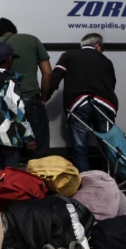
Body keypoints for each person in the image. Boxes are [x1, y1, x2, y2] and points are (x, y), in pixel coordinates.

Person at [49, 33, 118, 172]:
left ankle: (85, 182)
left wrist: (45, 97)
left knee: (80, 146)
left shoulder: (69, 55)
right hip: (104, 104)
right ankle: (109, 180)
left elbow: (54, 78)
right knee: (107, 145)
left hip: (78, 104)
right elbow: (112, 84)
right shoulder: (106, 61)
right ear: (98, 45)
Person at [0, 18, 52, 158]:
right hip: (31, 102)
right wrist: (43, 99)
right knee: (38, 154)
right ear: (14, 30)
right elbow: (47, 73)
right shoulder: (32, 40)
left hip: (4, 109)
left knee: (9, 156)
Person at [0, 42, 36, 170]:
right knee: (11, 174)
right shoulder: (10, 82)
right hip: (10, 135)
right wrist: (29, 137)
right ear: (9, 59)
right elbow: (18, 111)